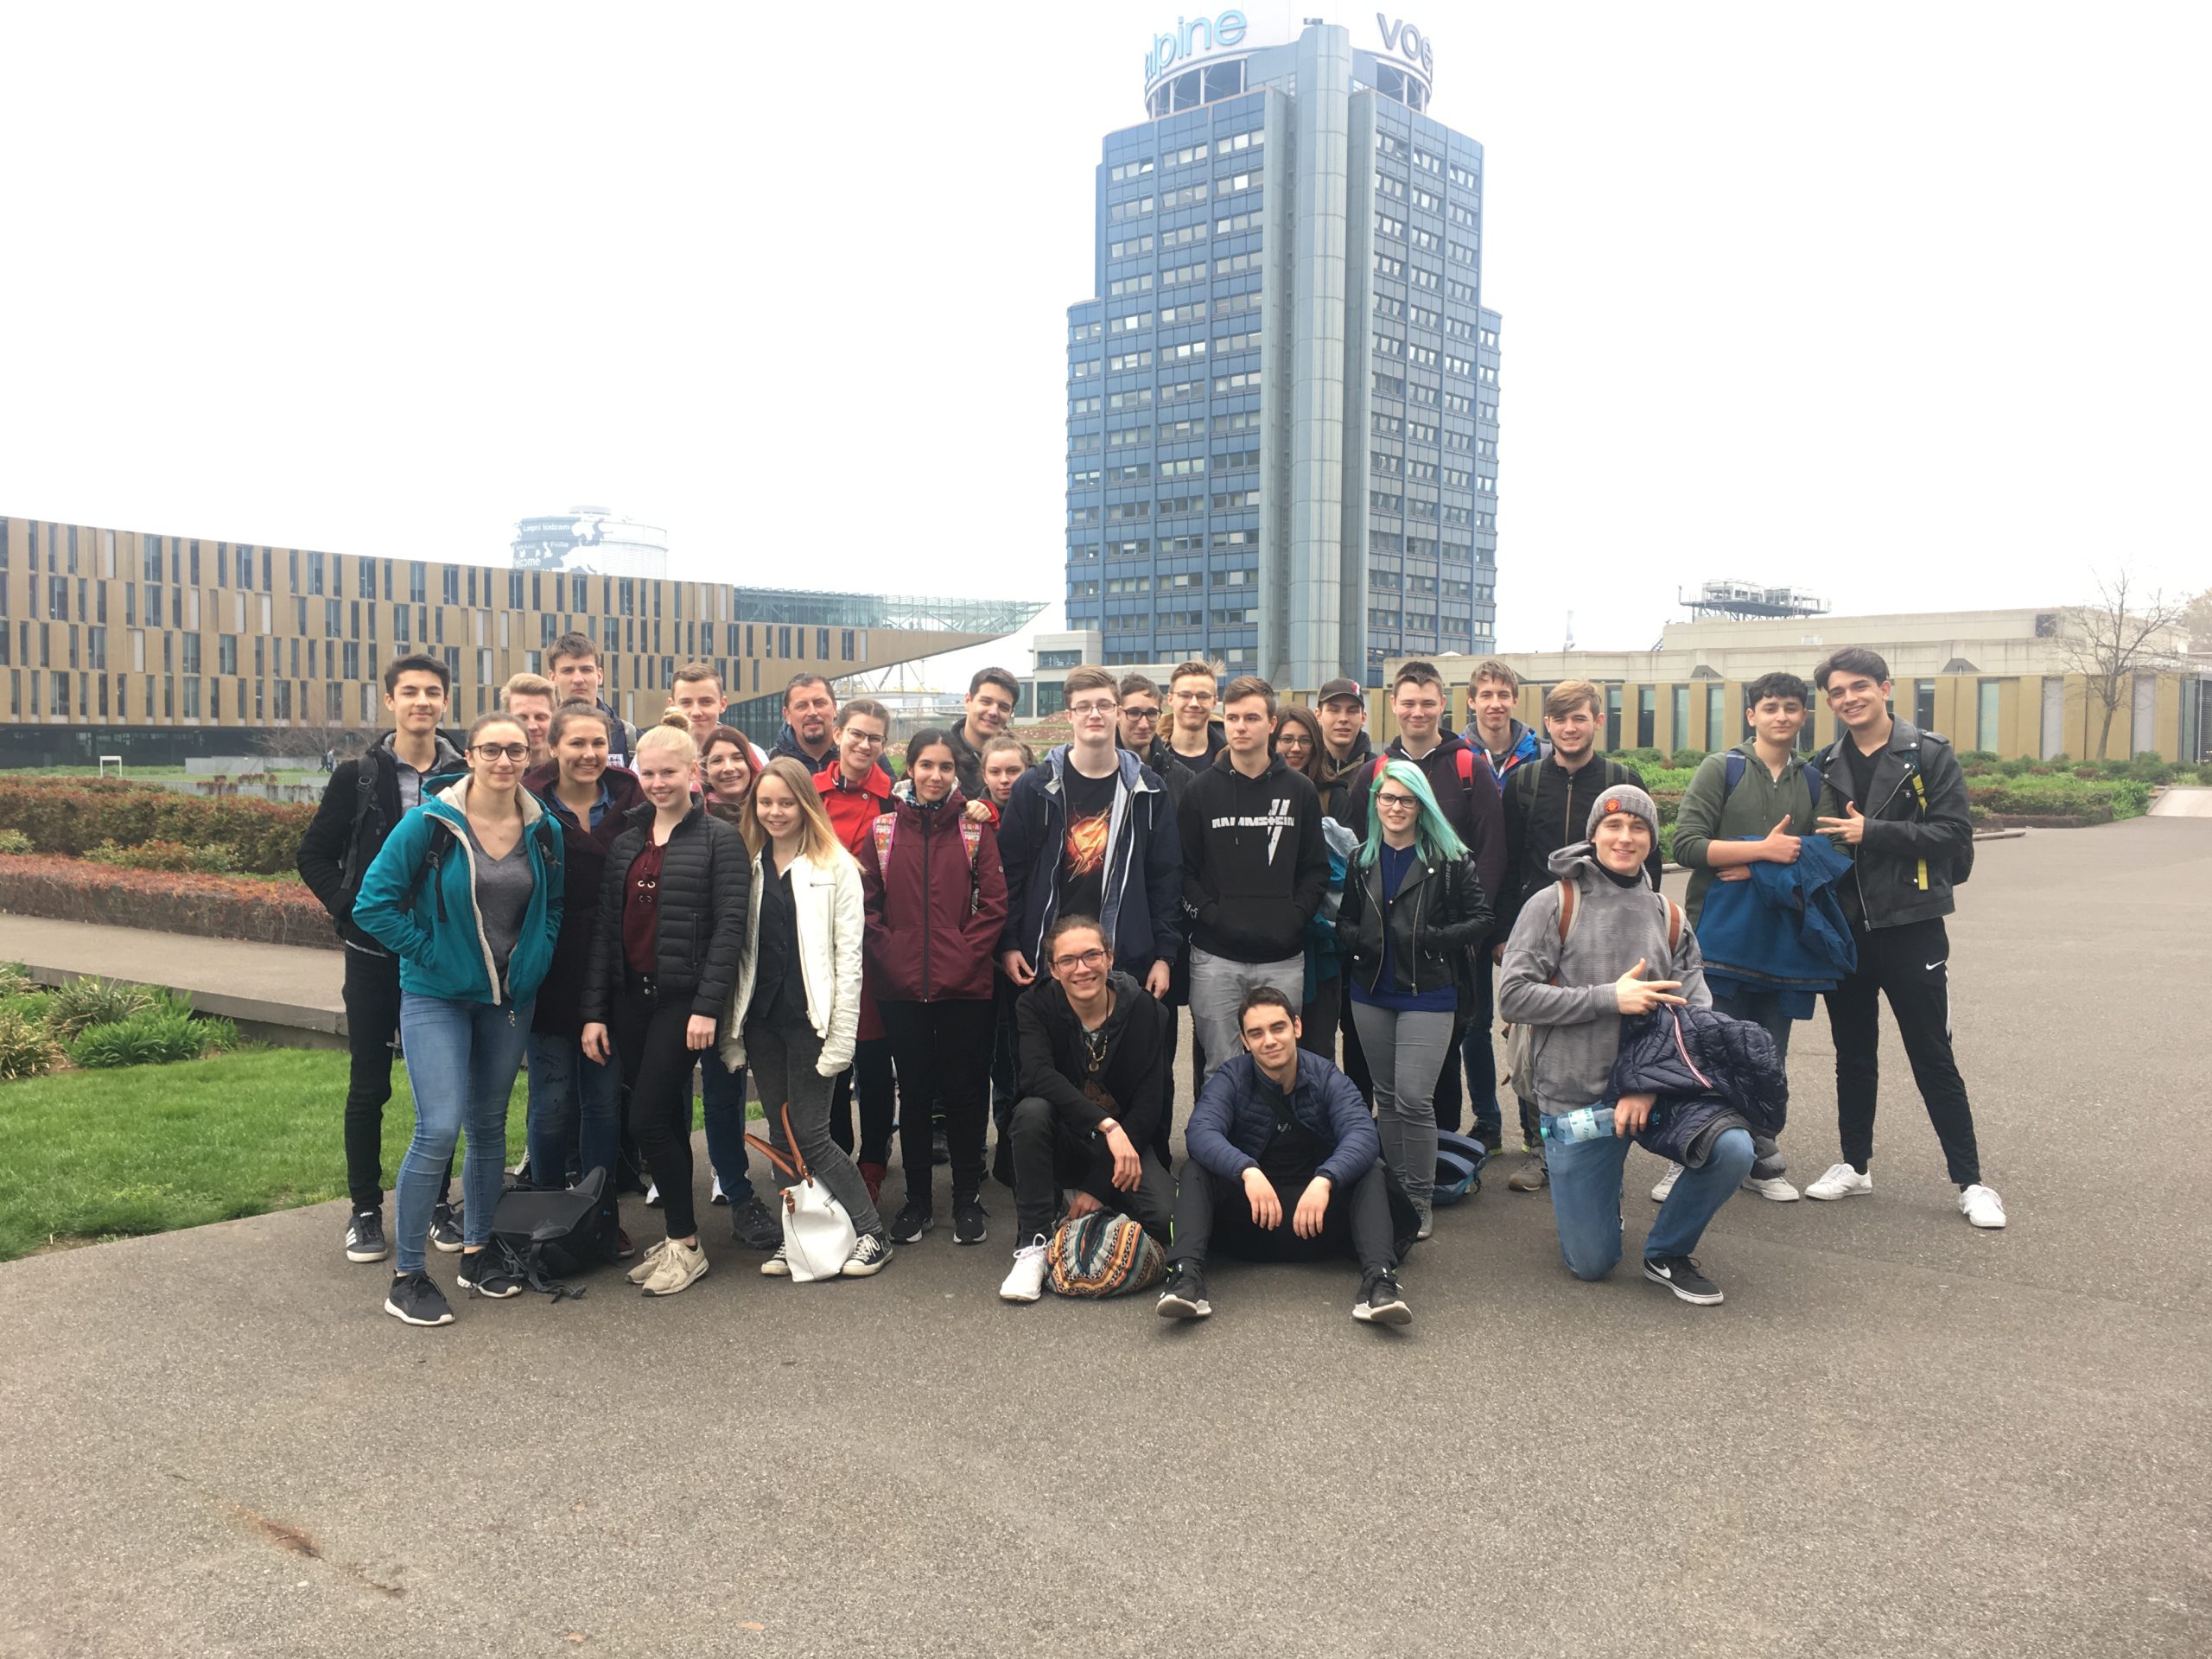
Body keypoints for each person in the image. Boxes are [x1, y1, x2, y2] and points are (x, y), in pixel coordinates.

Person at [1498, 786, 1755, 1306]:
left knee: (1734, 1150)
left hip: (1656, 1097)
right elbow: (1513, 997)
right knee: (1591, 1264)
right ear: (1593, 835)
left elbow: (1696, 1020)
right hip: (1577, 1098)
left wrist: (1649, 1086)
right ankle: (1601, 1195)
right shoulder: (1554, 904)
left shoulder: (1670, 917)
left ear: (1652, 840)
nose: (1625, 837)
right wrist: (1609, 998)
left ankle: (1667, 1251)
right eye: (1613, 826)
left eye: (1638, 827)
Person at [353, 713, 565, 1327]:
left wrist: (535, 960)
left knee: (490, 1127)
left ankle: (477, 1252)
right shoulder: (429, 823)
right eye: (491, 749)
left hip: (507, 999)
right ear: (469, 755)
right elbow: (373, 904)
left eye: (516, 750)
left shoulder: (543, 828)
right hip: (436, 996)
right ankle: (408, 1276)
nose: (504, 761)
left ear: (529, 757)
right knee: (439, 1128)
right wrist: (433, 954)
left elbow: (552, 908)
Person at [1803, 649, 2005, 1229]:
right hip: (1847, 933)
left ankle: (1971, 1182)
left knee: (1932, 1055)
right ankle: (1854, 1165)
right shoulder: (1825, 762)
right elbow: (1819, 842)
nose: (1849, 699)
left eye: (1859, 687)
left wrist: (1872, 831)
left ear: (1885, 688)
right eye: (1837, 692)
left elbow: (1953, 834)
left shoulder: (1929, 753)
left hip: (1912, 928)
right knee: (1853, 1054)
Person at [296, 652, 466, 1266]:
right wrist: (351, 909)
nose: (422, 701)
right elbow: (313, 854)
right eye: (410, 691)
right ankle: (365, 1208)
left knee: (440, 1087)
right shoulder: (359, 776)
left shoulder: (466, 773)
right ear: (390, 701)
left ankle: (438, 1202)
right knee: (369, 1084)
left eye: (432, 692)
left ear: (445, 701)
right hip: (372, 955)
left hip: (440, 956)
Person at [577, 723, 750, 1296]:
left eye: (669, 772)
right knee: (667, 1119)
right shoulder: (627, 843)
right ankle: (679, 1237)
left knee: (645, 1118)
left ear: (692, 773)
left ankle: (688, 1243)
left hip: (684, 1001)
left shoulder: (720, 840)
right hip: (631, 1000)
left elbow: (730, 930)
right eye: (647, 773)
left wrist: (707, 1007)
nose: (657, 783)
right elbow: (606, 932)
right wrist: (595, 1012)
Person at [1657, 671, 1832, 1204]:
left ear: (1804, 716)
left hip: (1783, 940)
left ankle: (1759, 1153)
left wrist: (1756, 864)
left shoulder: (1814, 779)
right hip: (1719, 935)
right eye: (1771, 707)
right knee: (1707, 1048)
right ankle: (1689, 1152)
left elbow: (1830, 854)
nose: (1782, 716)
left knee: (1766, 1054)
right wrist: (1762, 850)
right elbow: (1686, 845)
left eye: (1792, 707)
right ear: (1752, 715)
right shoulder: (1723, 768)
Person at [996, 666, 1182, 1161]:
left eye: (1103, 704)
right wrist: (1010, 941)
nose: (1094, 714)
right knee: (1048, 1069)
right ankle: (1048, 1170)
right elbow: (1010, 871)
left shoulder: (1148, 789)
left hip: (1125, 954)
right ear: (1070, 715)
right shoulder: (1037, 787)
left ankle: (1146, 1163)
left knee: (1137, 1069)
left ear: (1118, 712)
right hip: (1050, 957)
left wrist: (1164, 954)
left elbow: (1166, 877)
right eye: (1084, 706)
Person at [719, 757, 893, 1277]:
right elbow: (741, 954)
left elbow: (849, 960)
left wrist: (842, 1037)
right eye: (765, 802)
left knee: (812, 1134)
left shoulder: (836, 866)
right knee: (780, 1134)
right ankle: (799, 1234)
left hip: (810, 1020)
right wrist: (731, 1031)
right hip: (761, 1018)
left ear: (806, 805)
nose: (775, 812)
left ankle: (872, 1233)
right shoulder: (748, 864)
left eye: (786, 803)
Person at [1157, 987, 1412, 1326]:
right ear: (1245, 1041)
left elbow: (1363, 1134)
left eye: (1278, 1028)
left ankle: (1380, 1283)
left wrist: (1326, 1179)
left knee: (1371, 1170)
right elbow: (1200, 1132)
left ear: (1297, 1027)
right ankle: (1186, 1280)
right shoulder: (1231, 1077)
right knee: (1195, 1169)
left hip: (1317, 1223)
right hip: (1250, 1224)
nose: (1269, 1041)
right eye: (1256, 1033)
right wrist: (1246, 1170)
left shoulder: (1326, 1077)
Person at [1495, 679, 1658, 1192]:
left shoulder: (1621, 780)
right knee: (1532, 1038)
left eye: (1580, 718)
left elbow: (1646, 858)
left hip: (1608, 928)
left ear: (1597, 722)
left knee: (1602, 1038)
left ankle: (1599, 1147)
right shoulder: (1524, 782)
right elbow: (1507, 861)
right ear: (1547, 724)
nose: (1570, 728)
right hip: (1541, 924)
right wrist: (1503, 933)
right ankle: (1541, 1146)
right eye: (1560, 719)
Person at [1338, 662, 1507, 1140]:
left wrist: (1468, 933)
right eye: (1409, 702)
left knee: (1448, 1052)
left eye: (1428, 703)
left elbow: (1492, 853)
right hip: (1382, 953)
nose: (1418, 712)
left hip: (1450, 947)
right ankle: (1375, 1148)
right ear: (1393, 705)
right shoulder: (1374, 773)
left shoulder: (1469, 767)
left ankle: (1444, 1151)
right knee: (1377, 1063)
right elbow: (1356, 852)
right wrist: (1362, 934)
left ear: (1443, 705)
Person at [862, 729, 1010, 1246]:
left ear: (955, 773)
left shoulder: (974, 829)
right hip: (900, 986)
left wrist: (963, 957)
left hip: (964, 986)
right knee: (916, 1093)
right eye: (926, 765)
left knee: (966, 1091)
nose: (935, 775)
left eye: (946, 767)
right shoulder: (883, 831)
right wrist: (890, 953)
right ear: (910, 768)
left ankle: (967, 1198)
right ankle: (918, 1200)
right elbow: (867, 903)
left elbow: (994, 903)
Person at [1340, 760, 1494, 1236]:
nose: (1396, 807)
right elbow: (1346, 918)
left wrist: (1432, 938)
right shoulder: (1361, 858)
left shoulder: (1449, 860)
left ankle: (1419, 1198)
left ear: (1421, 805)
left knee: (1413, 1098)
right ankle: (1397, 1194)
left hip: (1428, 991)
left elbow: (1481, 918)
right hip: (1370, 991)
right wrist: (1358, 938)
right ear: (1376, 803)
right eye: (1387, 798)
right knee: (1386, 1098)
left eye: (1406, 799)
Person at [998, 915, 1176, 1303]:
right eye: (1068, 960)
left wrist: (1099, 1185)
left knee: (1167, 1218)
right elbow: (1037, 1075)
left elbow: (1149, 1105)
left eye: (1092, 955)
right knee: (1031, 1111)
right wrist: (1107, 1125)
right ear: (1053, 969)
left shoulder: (1149, 1013)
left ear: (1110, 958)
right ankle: (1033, 1244)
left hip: (1125, 1143)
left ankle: (1088, 1200)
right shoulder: (1035, 1005)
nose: (1082, 969)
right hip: (1064, 1136)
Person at [520, 701, 643, 1245]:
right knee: (551, 1103)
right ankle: (543, 1215)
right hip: (550, 969)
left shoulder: (633, 804)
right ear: (553, 747)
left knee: (602, 1103)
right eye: (576, 743)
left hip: (613, 970)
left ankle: (600, 1218)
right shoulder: (528, 805)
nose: (589, 753)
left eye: (598, 743)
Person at [1179, 676, 1330, 1084]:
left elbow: (1316, 870)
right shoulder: (1199, 791)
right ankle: (1220, 1132)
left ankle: (1276, 1132)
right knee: (1221, 1070)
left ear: (1272, 724)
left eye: (1251, 718)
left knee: (1280, 1066)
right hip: (1216, 958)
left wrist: (1294, 917)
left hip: (1282, 958)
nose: (1240, 727)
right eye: (1232, 718)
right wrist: (1213, 917)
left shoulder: (1300, 791)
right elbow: (1184, 872)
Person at [696, 727, 784, 1249]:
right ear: (703, 770)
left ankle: (797, 1183)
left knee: (782, 1089)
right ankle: (737, 1191)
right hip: (716, 977)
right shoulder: (693, 823)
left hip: (773, 974)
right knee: (722, 1089)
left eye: (737, 757)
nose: (728, 767)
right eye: (716, 759)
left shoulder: (776, 815)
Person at [810, 697, 899, 1199]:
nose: (865, 745)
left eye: (875, 738)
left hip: (871, 943)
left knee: (872, 1055)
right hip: (818, 943)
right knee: (830, 1054)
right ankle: (836, 1152)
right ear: (838, 733)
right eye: (857, 734)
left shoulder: (894, 800)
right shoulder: (810, 791)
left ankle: (873, 1160)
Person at [1459, 658, 1542, 1157]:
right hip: (1471, 904)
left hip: (1528, 905)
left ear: (1515, 699)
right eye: (1485, 694)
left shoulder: (1540, 754)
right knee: (1475, 1022)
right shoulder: (1455, 755)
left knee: (1531, 1020)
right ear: (1471, 700)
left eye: (1503, 694)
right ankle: (1488, 1122)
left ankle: (1535, 1128)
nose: (1495, 703)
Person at [1273, 702, 1356, 1061]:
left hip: (1322, 940)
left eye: (1305, 740)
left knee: (1318, 1046)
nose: (1295, 748)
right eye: (1286, 739)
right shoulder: (1257, 790)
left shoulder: (1334, 794)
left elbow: (1345, 867)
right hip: (1274, 936)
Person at [547, 632, 637, 769]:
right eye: (568, 671)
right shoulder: (539, 733)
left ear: (599, 675)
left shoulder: (630, 739)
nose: (578, 679)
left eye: (586, 670)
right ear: (552, 677)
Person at [944, 666, 1020, 800]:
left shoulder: (1023, 761)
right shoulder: (942, 756)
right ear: (968, 701)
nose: (993, 712)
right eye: (986, 702)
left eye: (1003, 707)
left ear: (1011, 712)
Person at [1312, 677, 1376, 820]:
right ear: (1318, 715)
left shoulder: (1377, 771)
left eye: (1352, 711)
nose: (1343, 718)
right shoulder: (1305, 767)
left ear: (1363, 718)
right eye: (1334, 710)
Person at [769, 673, 838, 772]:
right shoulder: (770, 765)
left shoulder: (856, 761)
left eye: (820, 703)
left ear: (834, 708)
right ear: (787, 715)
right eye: (801, 706)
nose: (812, 712)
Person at [501, 672, 557, 770]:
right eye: (522, 718)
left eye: (540, 717)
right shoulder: (494, 773)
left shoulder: (570, 772)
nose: (532, 726)